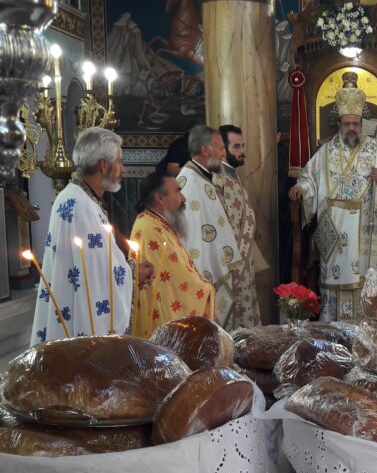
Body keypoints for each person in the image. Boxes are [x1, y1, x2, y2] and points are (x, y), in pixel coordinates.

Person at [288, 82, 377, 322]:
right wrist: (300, 188)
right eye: (347, 124)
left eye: (356, 124)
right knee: (335, 280)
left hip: (365, 229)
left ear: (361, 124)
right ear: (339, 124)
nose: (351, 128)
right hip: (336, 231)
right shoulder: (326, 152)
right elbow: (310, 178)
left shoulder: (375, 150)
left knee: (364, 281)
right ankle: (332, 329)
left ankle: (365, 327)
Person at [30, 127, 154, 344]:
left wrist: (130, 273)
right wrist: (134, 274)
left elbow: (95, 267)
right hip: (80, 330)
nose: (123, 170)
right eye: (119, 162)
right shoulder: (82, 206)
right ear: (104, 165)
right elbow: (95, 279)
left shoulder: (74, 197)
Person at [130, 171, 216, 336]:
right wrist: (207, 289)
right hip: (158, 328)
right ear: (159, 198)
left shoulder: (156, 224)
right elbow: (174, 283)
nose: (183, 198)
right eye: (177, 191)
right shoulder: (150, 230)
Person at [176, 124, 243, 330]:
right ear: (205, 150)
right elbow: (193, 240)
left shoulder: (200, 178)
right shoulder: (190, 184)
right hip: (200, 277)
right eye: (221, 148)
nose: (224, 154)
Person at [215, 124, 269, 327]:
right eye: (236, 147)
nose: (242, 151)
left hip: (243, 260)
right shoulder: (217, 178)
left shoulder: (232, 175)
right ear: (222, 149)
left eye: (243, 146)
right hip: (230, 263)